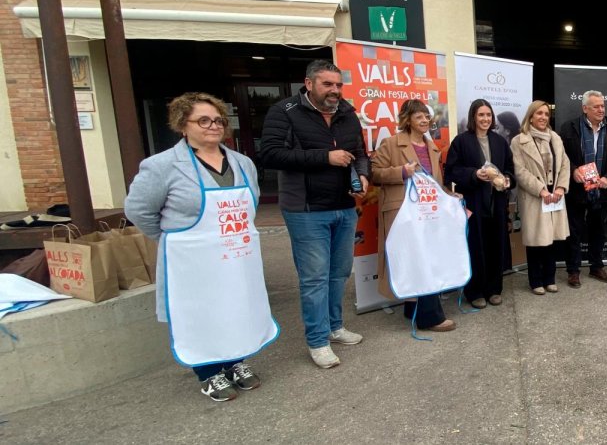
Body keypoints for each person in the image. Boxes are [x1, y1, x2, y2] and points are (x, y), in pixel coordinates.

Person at [125, 92, 276, 402]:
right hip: (192, 261)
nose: (213, 126)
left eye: (218, 120)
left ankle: (235, 361)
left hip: (236, 255)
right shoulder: (162, 166)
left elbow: (252, 201)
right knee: (201, 312)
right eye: (203, 120)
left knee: (235, 305)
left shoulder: (242, 162)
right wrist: (177, 241)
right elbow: (139, 211)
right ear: (183, 125)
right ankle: (209, 372)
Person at [259, 60, 368, 370]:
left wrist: (363, 175)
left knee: (339, 272)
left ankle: (334, 326)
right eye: (327, 84)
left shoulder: (346, 112)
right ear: (309, 84)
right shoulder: (285, 111)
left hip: (344, 206)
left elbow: (359, 151)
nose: (334, 90)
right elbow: (270, 154)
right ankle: (317, 340)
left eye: (338, 85)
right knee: (315, 279)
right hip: (305, 209)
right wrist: (325, 157)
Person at [371, 99, 456, 332]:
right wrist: (401, 171)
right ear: (407, 119)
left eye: (427, 116)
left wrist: (449, 196)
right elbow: (374, 174)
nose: (425, 120)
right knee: (418, 260)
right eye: (419, 116)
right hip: (403, 213)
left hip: (428, 213)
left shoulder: (432, 147)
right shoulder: (390, 144)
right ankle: (430, 318)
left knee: (424, 259)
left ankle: (412, 308)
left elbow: (434, 183)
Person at [445, 98, 515, 308]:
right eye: (481, 115)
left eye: (488, 115)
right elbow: (452, 171)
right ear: (473, 117)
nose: (485, 119)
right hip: (474, 204)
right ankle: (475, 292)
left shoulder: (500, 141)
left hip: (497, 204)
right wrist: (475, 174)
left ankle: (494, 289)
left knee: (496, 247)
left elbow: (511, 168)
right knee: (475, 248)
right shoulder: (461, 141)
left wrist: (507, 180)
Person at [558, 90, 607, 287]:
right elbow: (561, 157)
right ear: (585, 108)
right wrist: (573, 171)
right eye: (596, 106)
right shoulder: (569, 128)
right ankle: (573, 271)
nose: (601, 109)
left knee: (599, 231)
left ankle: (596, 267)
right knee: (575, 231)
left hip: (602, 191)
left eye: (603, 106)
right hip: (577, 191)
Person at [511, 100, 571, 294]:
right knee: (536, 239)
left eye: (546, 114)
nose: (543, 117)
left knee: (551, 239)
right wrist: (541, 190)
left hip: (555, 195)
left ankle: (550, 278)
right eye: (539, 114)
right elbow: (519, 171)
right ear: (530, 117)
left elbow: (565, 164)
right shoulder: (519, 141)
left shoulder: (555, 138)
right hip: (535, 196)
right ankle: (536, 281)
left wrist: (561, 187)